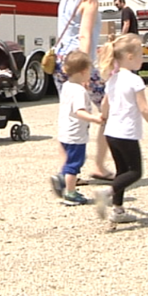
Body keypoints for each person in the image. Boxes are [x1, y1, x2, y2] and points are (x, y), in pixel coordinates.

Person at [54, 0, 112, 180]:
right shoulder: (89, 1)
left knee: (69, 113)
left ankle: (67, 170)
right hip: (79, 60)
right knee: (109, 108)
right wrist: (86, 70)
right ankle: (99, 164)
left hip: (61, 60)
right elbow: (85, 36)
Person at [94, 33, 148, 224]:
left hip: (111, 132)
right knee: (135, 172)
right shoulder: (134, 80)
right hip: (126, 133)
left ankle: (118, 210)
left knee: (121, 171)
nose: (142, 59)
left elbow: (105, 103)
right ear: (130, 56)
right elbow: (144, 108)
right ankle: (106, 192)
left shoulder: (112, 80)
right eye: (141, 55)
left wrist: (104, 117)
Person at [50, 50, 106, 206]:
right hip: (76, 134)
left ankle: (62, 179)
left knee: (70, 160)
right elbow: (79, 111)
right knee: (75, 163)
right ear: (83, 71)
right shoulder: (79, 91)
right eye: (89, 70)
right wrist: (95, 118)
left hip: (65, 131)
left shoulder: (67, 86)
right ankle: (70, 192)